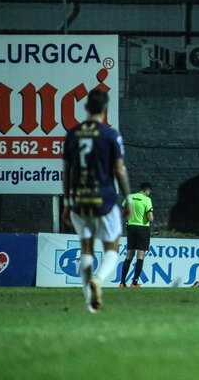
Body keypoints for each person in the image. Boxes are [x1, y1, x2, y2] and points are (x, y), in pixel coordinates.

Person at [62, 89, 132, 313]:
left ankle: (88, 305)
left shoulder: (72, 134)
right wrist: (128, 198)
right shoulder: (111, 135)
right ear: (105, 109)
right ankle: (99, 280)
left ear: (86, 108)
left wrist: (67, 203)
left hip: (79, 200)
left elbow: (67, 171)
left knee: (86, 250)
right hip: (105, 199)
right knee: (112, 247)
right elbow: (119, 169)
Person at [119, 182, 154, 288]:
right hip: (143, 228)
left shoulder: (129, 197)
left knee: (129, 254)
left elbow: (123, 212)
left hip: (131, 227)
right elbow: (150, 217)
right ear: (147, 191)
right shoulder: (147, 200)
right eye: (149, 192)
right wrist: (151, 218)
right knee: (140, 254)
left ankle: (122, 282)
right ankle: (134, 283)